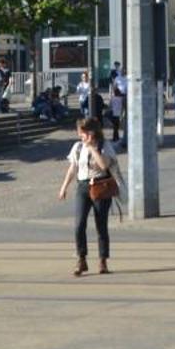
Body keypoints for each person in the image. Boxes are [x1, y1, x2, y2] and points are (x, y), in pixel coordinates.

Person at [57, 116, 121, 277]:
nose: (80, 136)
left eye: (83, 133)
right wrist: (64, 187)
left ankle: (102, 260)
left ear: (91, 133)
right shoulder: (78, 147)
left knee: (101, 225)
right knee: (79, 224)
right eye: (80, 133)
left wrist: (92, 148)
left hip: (101, 186)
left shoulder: (104, 145)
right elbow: (73, 168)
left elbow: (104, 165)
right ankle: (81, 259)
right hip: (83, 187)